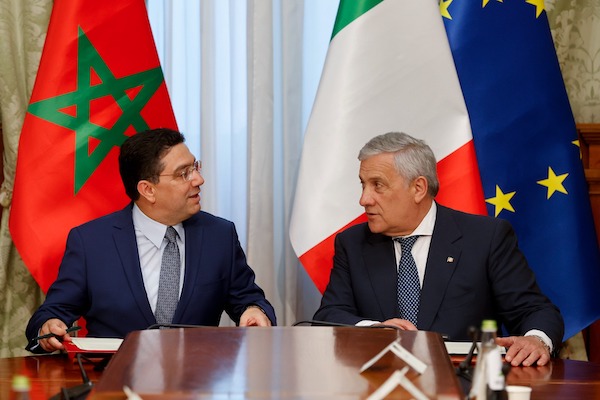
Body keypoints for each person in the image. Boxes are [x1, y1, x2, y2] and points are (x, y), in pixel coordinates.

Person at [313, 131, 564, 367]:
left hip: (463, 380)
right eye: (363, 185)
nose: (364, 199)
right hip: (378, 380)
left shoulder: (485, 238)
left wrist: (536, 339)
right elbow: (329, 315)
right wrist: (373, 329)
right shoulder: (353, 243)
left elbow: (534, 310)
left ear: (418, 188)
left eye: (378, 185)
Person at [26, 128, 276, 354]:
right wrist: (48, 327)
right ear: (148, 190)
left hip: (197, 379)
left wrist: (254, 311)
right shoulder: (91, 242)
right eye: (183, 173)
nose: (198, 180)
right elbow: (51, 314)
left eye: (195, 167)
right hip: (112, 379)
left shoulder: (219, 235)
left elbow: (248, 299)